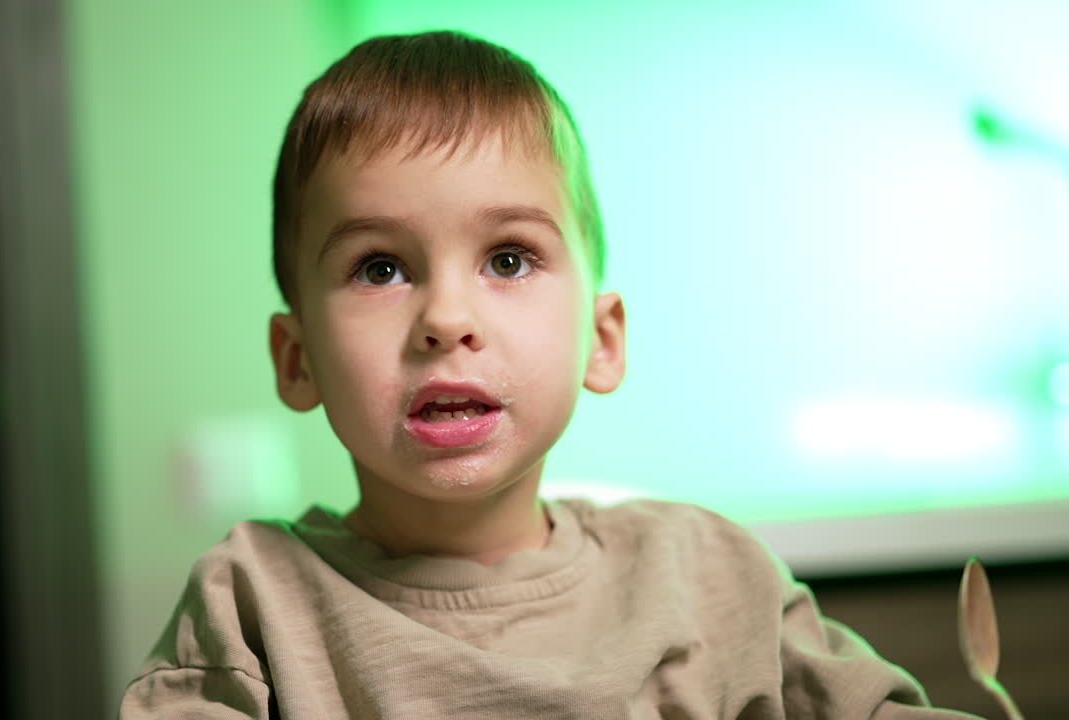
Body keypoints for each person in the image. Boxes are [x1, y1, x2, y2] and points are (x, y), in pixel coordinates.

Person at [119, 30, 982, 719]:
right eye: (381, 268)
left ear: (602, 340)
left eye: (508, 257)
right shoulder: (253, 604)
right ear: (297, 358)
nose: (447, 319)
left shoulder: (713, 575)